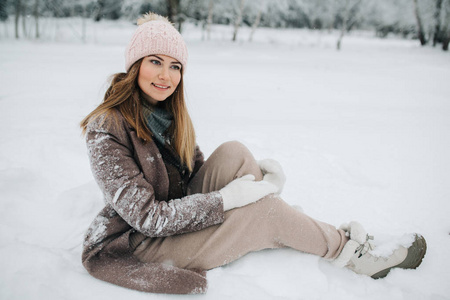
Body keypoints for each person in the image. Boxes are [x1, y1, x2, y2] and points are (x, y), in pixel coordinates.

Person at [80, 12, 427, 295]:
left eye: (176, 66)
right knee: (265, 213)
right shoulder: (106, 127)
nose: (166, 75)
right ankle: (353, 255)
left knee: (235, 153)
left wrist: (252, 188)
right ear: (135, 64)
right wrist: (230, 199)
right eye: (155, 61)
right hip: (139, 244)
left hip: (173, 221)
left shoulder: (166, 115)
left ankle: (285, 222)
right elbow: (148, 219)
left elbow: (195, 173)